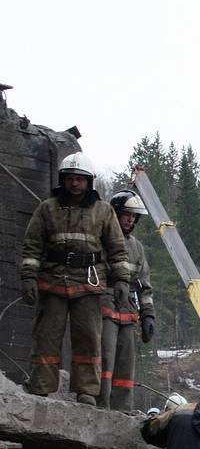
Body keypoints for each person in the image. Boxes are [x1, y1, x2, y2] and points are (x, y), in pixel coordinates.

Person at [19, 152, 131, 405]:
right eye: (70, 178)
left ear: (89, 181)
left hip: (88, 284)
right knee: (46, 337)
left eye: (79, 179)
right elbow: (32, 245)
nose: (74, 184)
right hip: (53, 281)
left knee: (88, 339)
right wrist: (28, 276)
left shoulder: (103, 211)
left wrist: (122, 280)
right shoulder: (47, 209)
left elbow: (117, 248)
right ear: (63, 179)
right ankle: (41, 385)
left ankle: (86, 390)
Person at [99, 190, 155, 411]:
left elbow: (145, 285)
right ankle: (99, 406)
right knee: (105, 359)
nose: (131, 219)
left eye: (135, 216)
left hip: (129, 311)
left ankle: (122, 409)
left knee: (125, 364)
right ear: (116, 213)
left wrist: (148, 315)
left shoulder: (137, 247)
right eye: (127, 214)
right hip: (104, 305)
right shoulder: (101, 240)